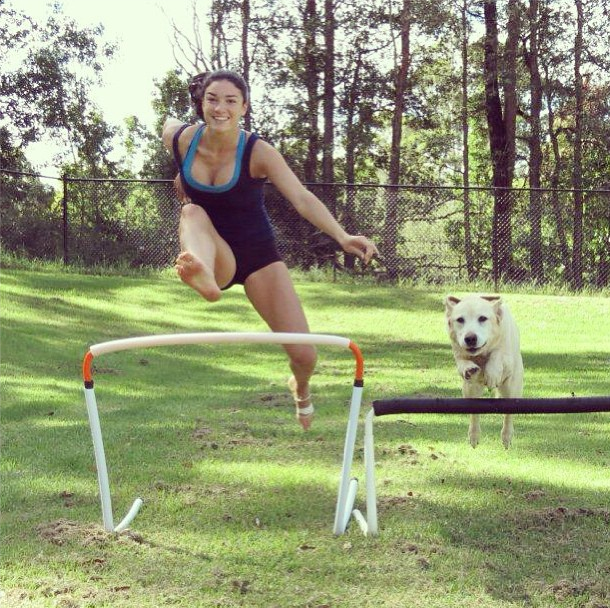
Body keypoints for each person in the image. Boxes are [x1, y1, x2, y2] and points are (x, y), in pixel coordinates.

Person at [162, 69, 378, 431]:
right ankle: (205, 279)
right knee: (191, 212)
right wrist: (182, 177)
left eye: (230, 101)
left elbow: (301, 198)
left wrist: (342, 237)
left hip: (257, 255)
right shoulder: (182, 139)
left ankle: (300, 386)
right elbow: (167, 124)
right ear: (201, 103)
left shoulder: (257, 151)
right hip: (214, 254)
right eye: (212, 99)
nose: (220, 108)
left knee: (305, 355)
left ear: (244, 107)